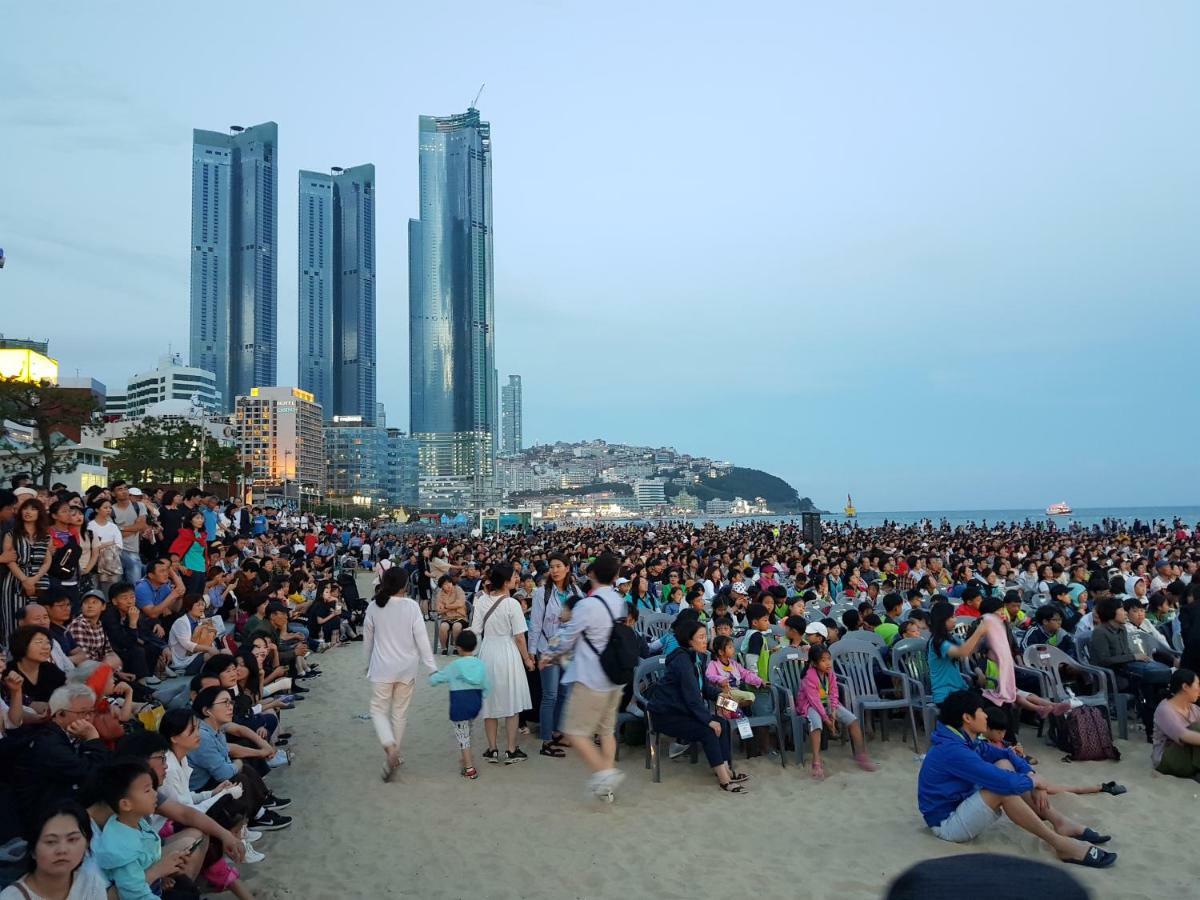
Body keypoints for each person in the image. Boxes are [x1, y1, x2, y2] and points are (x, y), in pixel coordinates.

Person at [917, 690, 1116, 868]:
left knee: (1004, 764)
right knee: (1002, 789)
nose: (986, 715)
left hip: (961, 803)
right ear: (967, 718)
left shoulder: (965, 740)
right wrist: (1035, 783)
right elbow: (1005, 783)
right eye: (981, 710)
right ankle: (1060, 844)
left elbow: (1008, 756)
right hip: (946, 824)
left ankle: (1059, 821)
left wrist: (1032, 776)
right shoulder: (953, 750)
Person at [542, 552, 632, 799]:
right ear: (615, 576)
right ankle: (607, 786)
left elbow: (568, 637)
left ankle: (605, 773)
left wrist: (549, 655)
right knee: (605, 731)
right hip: (615, 675)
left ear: (591, 574)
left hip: (591, 677)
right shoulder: (618, 601)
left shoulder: (587, 605)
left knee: (575, 732)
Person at [646, 618, 749, 793]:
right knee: (709, 730)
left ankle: (726, 769)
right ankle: (724, 780)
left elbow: (702, 687)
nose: (705, 640)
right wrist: (708, 720)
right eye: (700, 637)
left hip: (684, 710)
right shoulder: (682, 662)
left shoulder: (694, 657)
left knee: (723, 723)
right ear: (689, 640)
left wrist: (726, 700)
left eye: (705, 636)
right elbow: (692, 697)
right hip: (667, 715)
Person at [363, 566, 437, 781]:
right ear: (405, 585)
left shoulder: (374, 607)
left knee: (378, 709)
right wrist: (431, 667)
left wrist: (367, 664)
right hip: (407, 667)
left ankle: (389, 746)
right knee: (399, 712)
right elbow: (422, 640)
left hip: (382, 667)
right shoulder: (411, 606)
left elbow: (368, 640)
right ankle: (396, 749)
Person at [91, 760, 193, 900]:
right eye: (147, 790)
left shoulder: (136, 823)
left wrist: (160, 877)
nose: (155, 794)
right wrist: (158, 872)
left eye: (152, 788)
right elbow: (135, 894)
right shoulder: (121, 849)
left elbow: (143, 865)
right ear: (125, 804)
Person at [470, 563, 533, 765]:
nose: (517, 579)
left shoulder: (481, 602)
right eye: (514, 576)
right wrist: (527, 659)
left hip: (488, 651)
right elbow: (520, 637)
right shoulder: (512, 604)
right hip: (508, 653)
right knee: (511, 702)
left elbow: (475, 630)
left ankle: (492, 748)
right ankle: (511, 749)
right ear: (506, 581)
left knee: (489, 703)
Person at [526, 553, 580, 758]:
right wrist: (532, 652)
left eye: (559, 566)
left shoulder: (575, 591)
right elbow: (536, 624)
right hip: (547, 648)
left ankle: (558, 731)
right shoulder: (542, 593)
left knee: (565, 693)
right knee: (550, 694)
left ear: (567, 567)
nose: (555, 570)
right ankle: (546, 740)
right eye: (552, 566)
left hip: (568, 649)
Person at [0, 801, 109, 900]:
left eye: (72, 839)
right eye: (51, 842)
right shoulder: (11, 897)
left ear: (87, 843)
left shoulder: (91, 885)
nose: (62, 850)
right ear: (33, 850)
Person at [796, 645, 876, 779]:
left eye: (829, 659)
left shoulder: (830, 673)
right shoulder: (809, 677)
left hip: (827, 703)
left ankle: (861, 754)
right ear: (814, 663)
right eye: (823, 660)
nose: (827, 663)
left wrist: (833, 710)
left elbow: (834, 693)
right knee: (816, 725)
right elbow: (814, 701)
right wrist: (827, 720)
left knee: (853, 720)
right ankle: (816, 761)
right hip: (810, 706)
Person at [428, 629, 489, 780]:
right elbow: (487, 685)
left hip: (459, 704)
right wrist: (483, 696)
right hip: (475, 703)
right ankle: (466, 758)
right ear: (474, 647)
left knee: (462, 737)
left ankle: (469, 768)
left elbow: (438, 678)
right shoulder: (480, 664)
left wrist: (432, 677)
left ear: (459, 647)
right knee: (468, 730)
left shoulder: (455, 665)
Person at [2, 498, 52, 644]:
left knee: (37, 621)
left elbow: (47, 560)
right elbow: (9, 559)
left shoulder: (45, 536)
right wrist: (25, 580)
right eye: (25, 508)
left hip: (39, 582)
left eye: (33, 509)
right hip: (15, 582)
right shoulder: (11, 534)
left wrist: (34, 579)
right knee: (15, 621)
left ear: (39, 513)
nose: (28, 512)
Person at [927, 602, 988, 703]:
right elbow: (962, 652)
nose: (955, 619)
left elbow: (970, 650)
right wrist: (979, 632)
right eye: (952, 617)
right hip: (946, 696)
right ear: (942, 620)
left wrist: (981, 634)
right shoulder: (938, 642)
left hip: (959, 690)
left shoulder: (951, 638)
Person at [1151, 667, 1200, 778]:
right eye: (1198, 685)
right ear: (1185, 687)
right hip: (1166, 759)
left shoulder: (1193, 708)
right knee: (1196, 728)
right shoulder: (1165, 709)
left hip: (1186, 754)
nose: (1199, 690)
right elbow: (1184, 735)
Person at [167, 595, 220, 676]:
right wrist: (209, 649)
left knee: (225, 652)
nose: (201, 607)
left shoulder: (200, 621)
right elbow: (187, 644)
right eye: (198, 605)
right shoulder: (181, 622)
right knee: (211, 655)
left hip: (196, 655)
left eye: (202, 604)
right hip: (184, 662)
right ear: (189, 607)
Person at [433, 575, 470, 656]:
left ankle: (457, 648)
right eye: (445, 584)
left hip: (460, 616)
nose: (448, 585)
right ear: (441, 586)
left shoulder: (458, 589)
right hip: (447, 617)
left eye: (449, 582)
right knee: (443, 627)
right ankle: (444, 648)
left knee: (456, 626)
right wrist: (453, 607)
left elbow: (460, 603)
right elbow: (439, 610)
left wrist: (446, 606)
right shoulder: (440, 593)